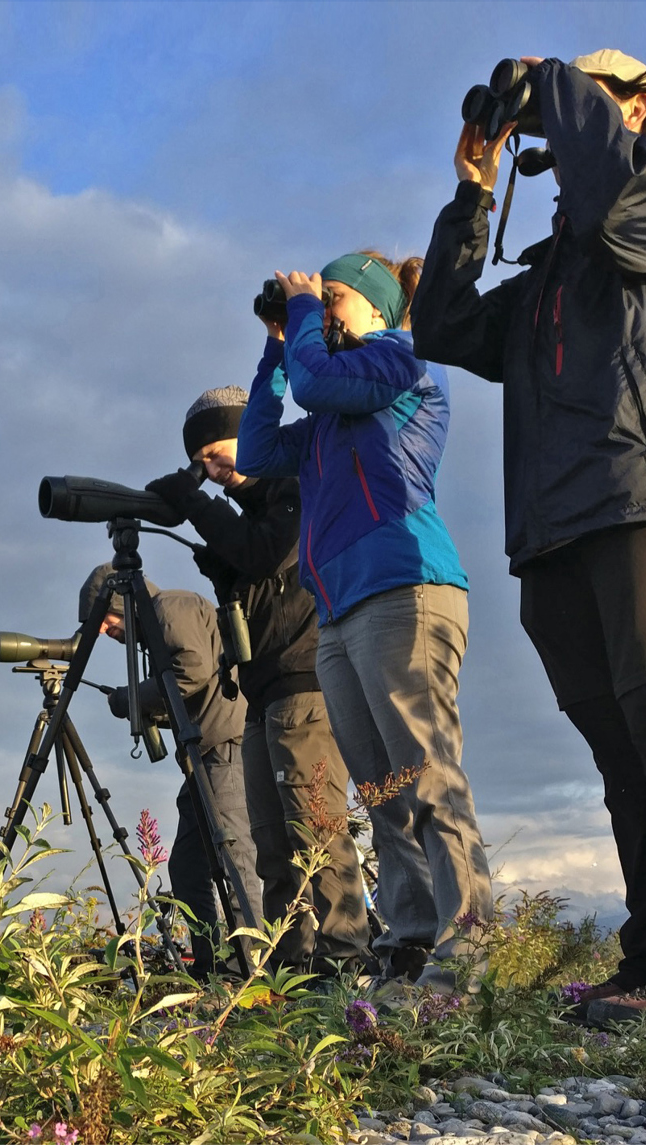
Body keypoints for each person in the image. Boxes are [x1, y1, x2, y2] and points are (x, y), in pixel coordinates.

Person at [411, 50, 646, 1031]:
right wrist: (471, 195)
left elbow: (612, 203)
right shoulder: (545, 273)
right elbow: (440, 324)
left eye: (591, 101)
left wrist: (552, 77)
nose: (561, 119)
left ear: (637, 106)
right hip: (553, 526)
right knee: (617, 745)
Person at [236, 250, 493, 995]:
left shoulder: (404, 357)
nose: (326, 307)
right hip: (341, 608)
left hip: (405, 589)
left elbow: (322, 382)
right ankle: (411, 943)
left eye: (337, 296)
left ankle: (473, 949)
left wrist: (306, 317)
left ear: (378, 307)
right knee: (382, 791)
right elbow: (255, 450)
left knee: (428, 776)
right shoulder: (325, 417)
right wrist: (276, 350)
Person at [144, 387, 370, 974]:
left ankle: (346, 962)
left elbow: (271, 553)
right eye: (203, 461)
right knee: (272, 845)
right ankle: (291, 970)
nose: (213, 471)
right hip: (262, 690)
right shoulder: (254, 506)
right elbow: (255, 584)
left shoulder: (298, 481)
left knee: (316, 833)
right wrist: (222, 566)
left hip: (306, 681)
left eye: (218, 454)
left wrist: (199, 506)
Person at [79, 563, 256, 979]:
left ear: (121, 602)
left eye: (102, 619)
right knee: (189, 866)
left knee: (233, 859)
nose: (103, 631)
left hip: (223, 747)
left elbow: (191, 672)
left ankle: (249, 968)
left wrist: (131, 699)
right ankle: (214, 968)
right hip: (202, 755)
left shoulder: (169, 607)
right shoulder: (157, 626)